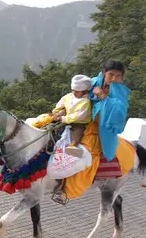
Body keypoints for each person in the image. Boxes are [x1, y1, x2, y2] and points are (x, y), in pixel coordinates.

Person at [52, 60, 133, 205]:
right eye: (111, 74)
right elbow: (76, 95)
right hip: (77, 120)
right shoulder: (93, 83)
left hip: (97, 130)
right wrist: (63, 109)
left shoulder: (120, 92)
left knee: (86, 155)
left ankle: (67, 191)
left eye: (118, 76)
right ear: (103, 73)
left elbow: (119, 112)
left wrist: (102, 96)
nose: (114, 79)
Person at [51, 74, 93, 157]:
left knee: (78, 131)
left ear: (84, 91)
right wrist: (57, 112)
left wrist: (63, 118)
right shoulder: (68, 97)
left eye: (77, 91)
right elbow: (60, 105)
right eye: (73, 90)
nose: (74, 93)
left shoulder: (85, 102)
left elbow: (78, 116)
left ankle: (73, 146)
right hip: (64, 120)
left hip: (79, 123)